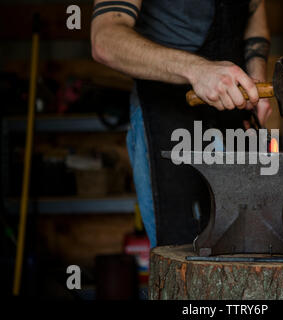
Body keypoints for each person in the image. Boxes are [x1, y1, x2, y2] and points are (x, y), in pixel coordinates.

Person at [91, 0, 271, 248]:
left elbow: (255, 13)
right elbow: (105, 39)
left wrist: (256, 76)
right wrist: (197, 70)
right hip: (165, 117)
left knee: (244, 249)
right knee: (180, 251)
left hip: (233, 116)